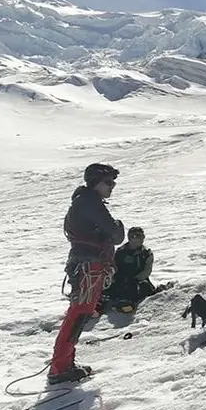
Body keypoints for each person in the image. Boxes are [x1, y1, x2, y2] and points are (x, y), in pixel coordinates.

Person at [49, 163, 125, 384]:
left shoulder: (83, 202)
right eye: (108, 182)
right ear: (95, 182)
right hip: (88, 266)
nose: (112, 187)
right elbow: (116, 234)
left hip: (83, 264)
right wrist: (117, 226)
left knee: (78, 313)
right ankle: (60, 368)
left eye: (113, 182)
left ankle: (63, 364)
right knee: (79, 314)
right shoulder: (90, 202)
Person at [99, 226, 157, 314]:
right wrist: (115, 277)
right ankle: (98, 305)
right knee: (108, 287)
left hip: (138, 280)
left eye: (140, 237)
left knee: (142, 287)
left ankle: (126, 304)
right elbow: (113, 266)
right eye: (134, 237)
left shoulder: (146, 253)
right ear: (129, 238)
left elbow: (147, 271)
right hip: (120, 279)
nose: (137, 239)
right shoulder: (120, 252)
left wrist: (135, 279)